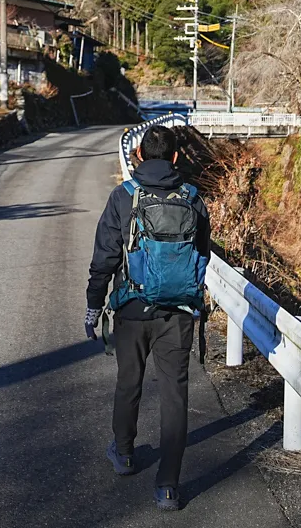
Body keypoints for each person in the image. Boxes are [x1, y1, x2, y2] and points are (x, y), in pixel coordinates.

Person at [84, 125, 210, 512]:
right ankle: (168, 487)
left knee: (129, 382)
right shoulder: (192, 197)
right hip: (179, 313)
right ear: (175, 158)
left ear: (138, 154)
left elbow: (105, 256)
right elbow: (201, 255)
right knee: (175, 394)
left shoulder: (123, 197)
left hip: (132, 309)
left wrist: (94, 305)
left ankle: (123, 454)